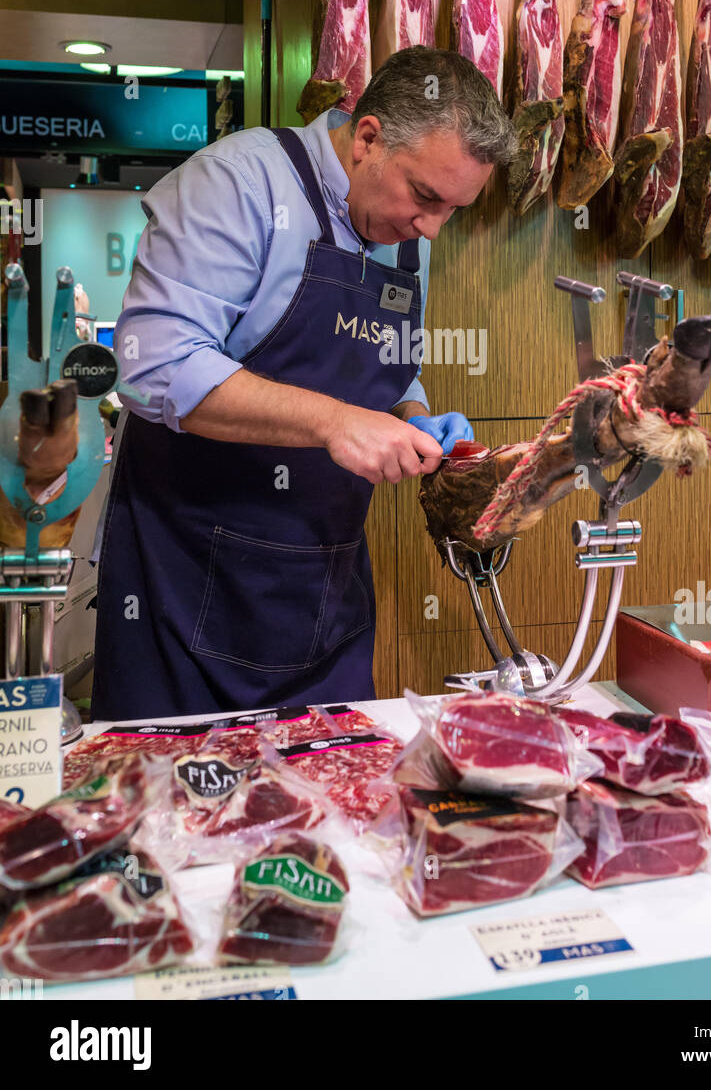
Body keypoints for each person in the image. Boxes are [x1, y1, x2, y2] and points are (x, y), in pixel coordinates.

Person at [91, 47, 518, 719]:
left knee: (333, 804)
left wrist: (411, 413)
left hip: (325, 592)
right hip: (186, 580)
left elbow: (391, 365)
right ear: (369, 137)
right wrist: (334, 422)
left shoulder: (408, 231)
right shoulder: (239, 183)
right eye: (426, 197)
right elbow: (154, 365)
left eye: (454, 211)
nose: (432, 227)